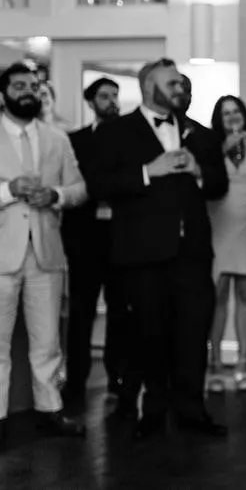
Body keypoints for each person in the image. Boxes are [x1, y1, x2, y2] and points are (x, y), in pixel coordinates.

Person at [90, 58, 229, 440]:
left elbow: (218, 186)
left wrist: (200, 171)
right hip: (143, 253)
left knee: (192, 332)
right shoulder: (117, 132)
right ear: (149, 85)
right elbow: (100, 184)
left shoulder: (200, 134)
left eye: (181, 85)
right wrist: (150, 171)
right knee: (149, 333)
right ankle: (152, 410)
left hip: (193, 253)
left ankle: (192, 409)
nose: (179, 90)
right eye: (171, 84)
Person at [0, 63, 88, 450]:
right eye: (19, 86)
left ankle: (50, 409)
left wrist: (54, 196)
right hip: (2, 253)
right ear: (3, 94)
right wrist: (8, 190)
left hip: (46, 252)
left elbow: (79, 188)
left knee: (48, 340)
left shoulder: (57, 138)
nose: (28, 92)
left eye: (34, 86)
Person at [62, 77, 131, 409]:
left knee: (120, 311)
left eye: (115, 95)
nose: (111, 101)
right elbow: (74, 182)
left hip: (120, 237)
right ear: (91, 102)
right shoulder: (74, 140)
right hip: (84, 238)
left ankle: (117, 376)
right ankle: (76, 381)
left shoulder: (130, 138)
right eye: (104, 96)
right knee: (81, 312)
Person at [206, 96, 246, 393]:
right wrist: (221, 150)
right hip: (219, 223)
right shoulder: (210, 147)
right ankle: (213, 360)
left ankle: (243, 360)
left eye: (236, 111)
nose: (231, 116)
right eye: (225, 113)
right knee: (216, 294)